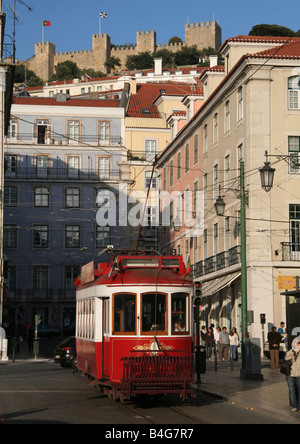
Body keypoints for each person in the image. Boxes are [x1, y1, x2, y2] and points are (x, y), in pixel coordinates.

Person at [285, 336, 300, 412]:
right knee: (292, 390)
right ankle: (294, 406)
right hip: (290, 374)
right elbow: (285, 359)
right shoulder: (290, 351)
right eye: (298, 342)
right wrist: (288, 357)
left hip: (299, 374)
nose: (299, 344)